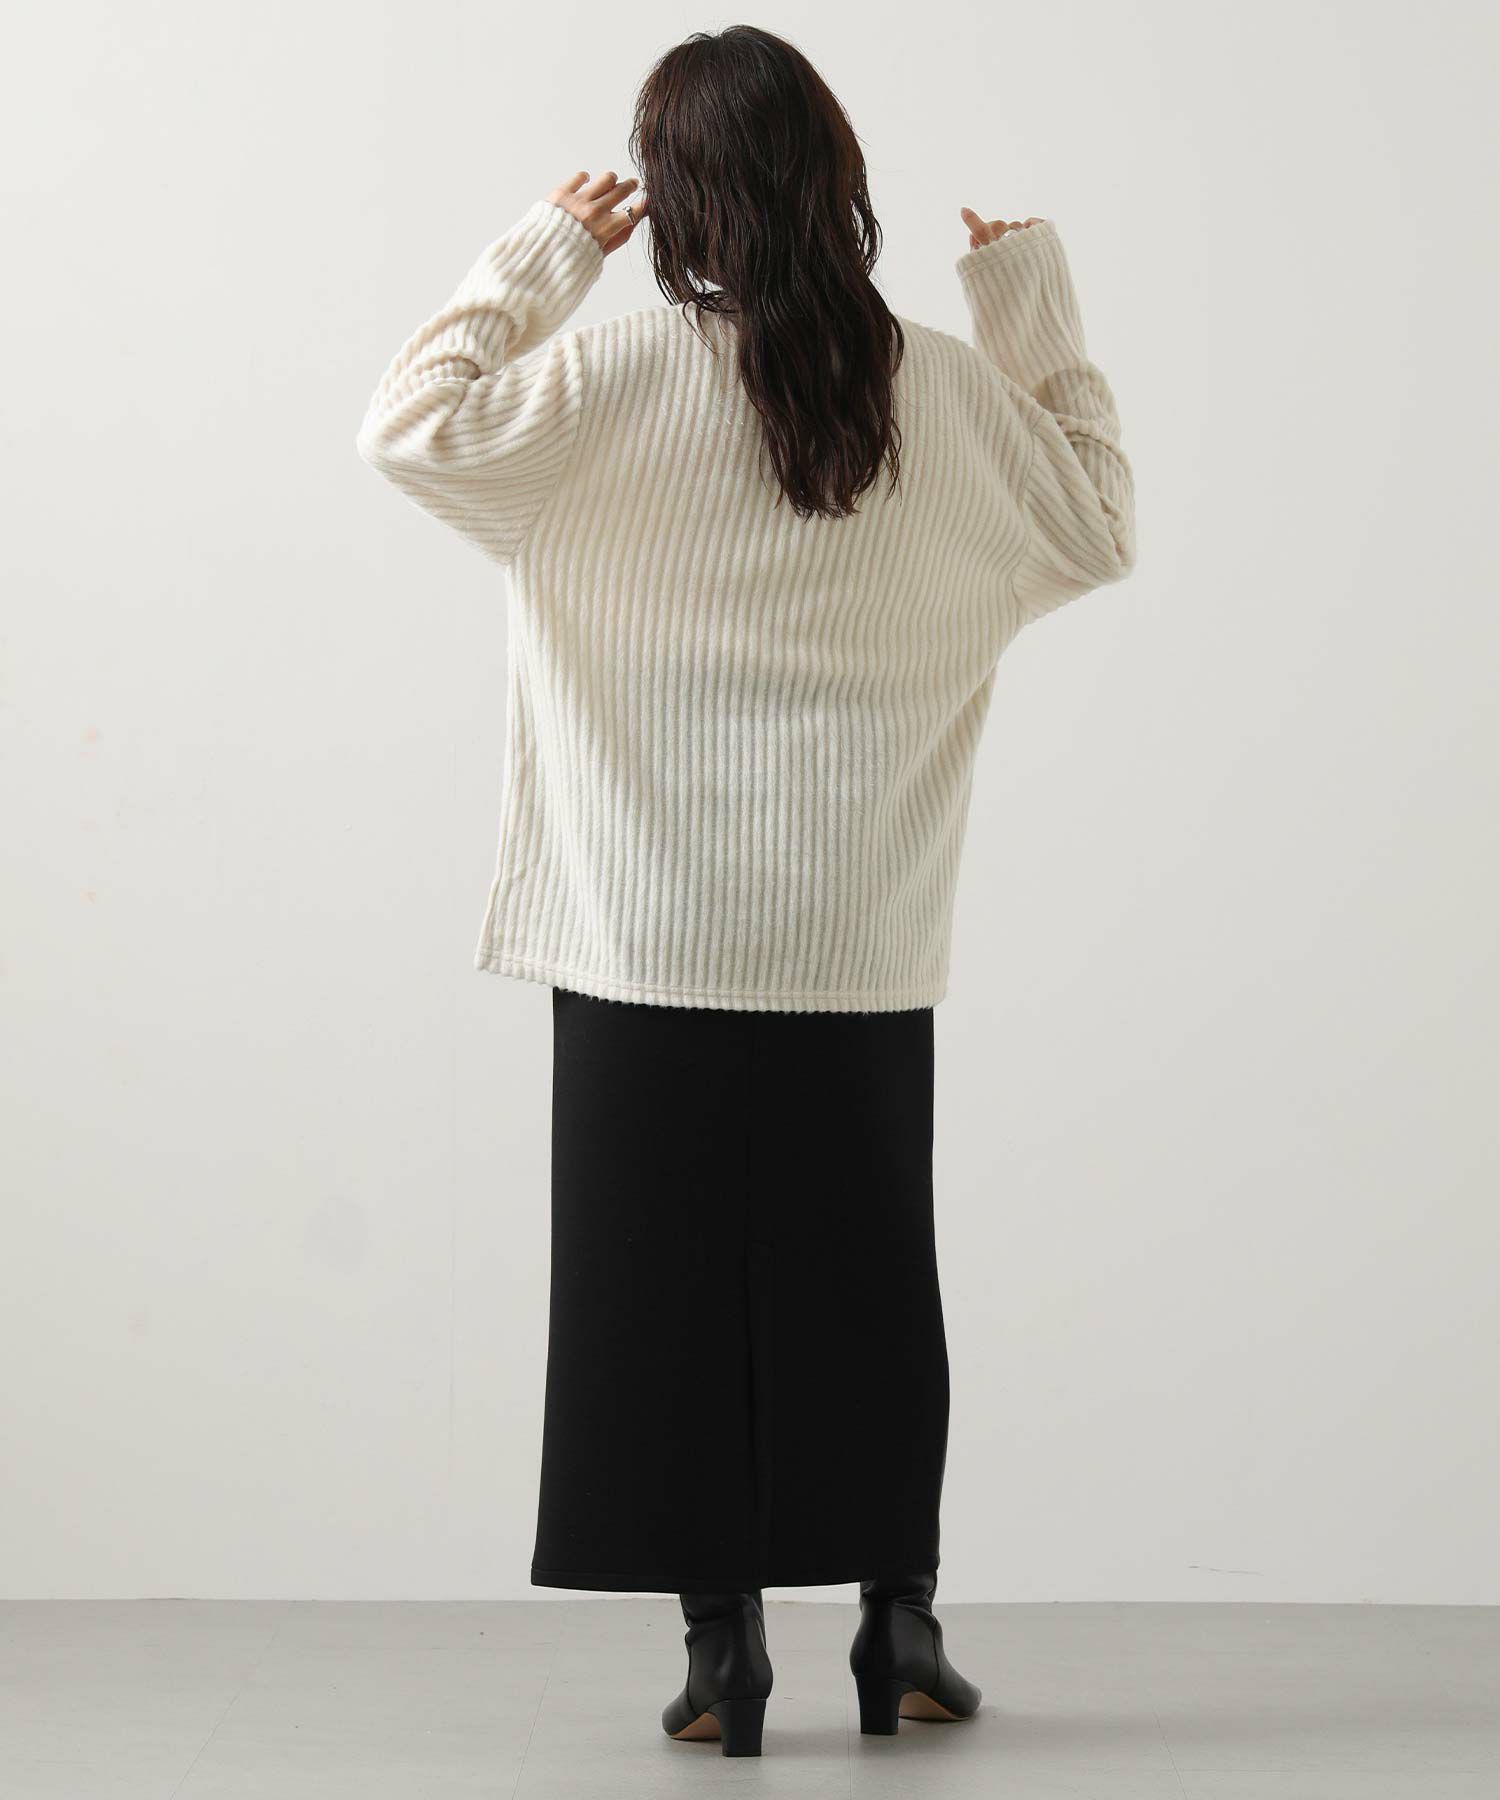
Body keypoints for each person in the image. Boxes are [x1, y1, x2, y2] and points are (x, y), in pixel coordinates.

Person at [356, 24, 1135, 1760]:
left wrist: (540, 259)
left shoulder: (609, 383)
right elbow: (1096, 523)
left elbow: (407, 430)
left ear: (678, 198)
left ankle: (726, 1658)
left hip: (646, 928)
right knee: (870, 1280)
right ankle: (900, 1626)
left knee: (664, 1293)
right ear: (840, 181)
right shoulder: (943, 388)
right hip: (858, 931)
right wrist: (1034, 320)